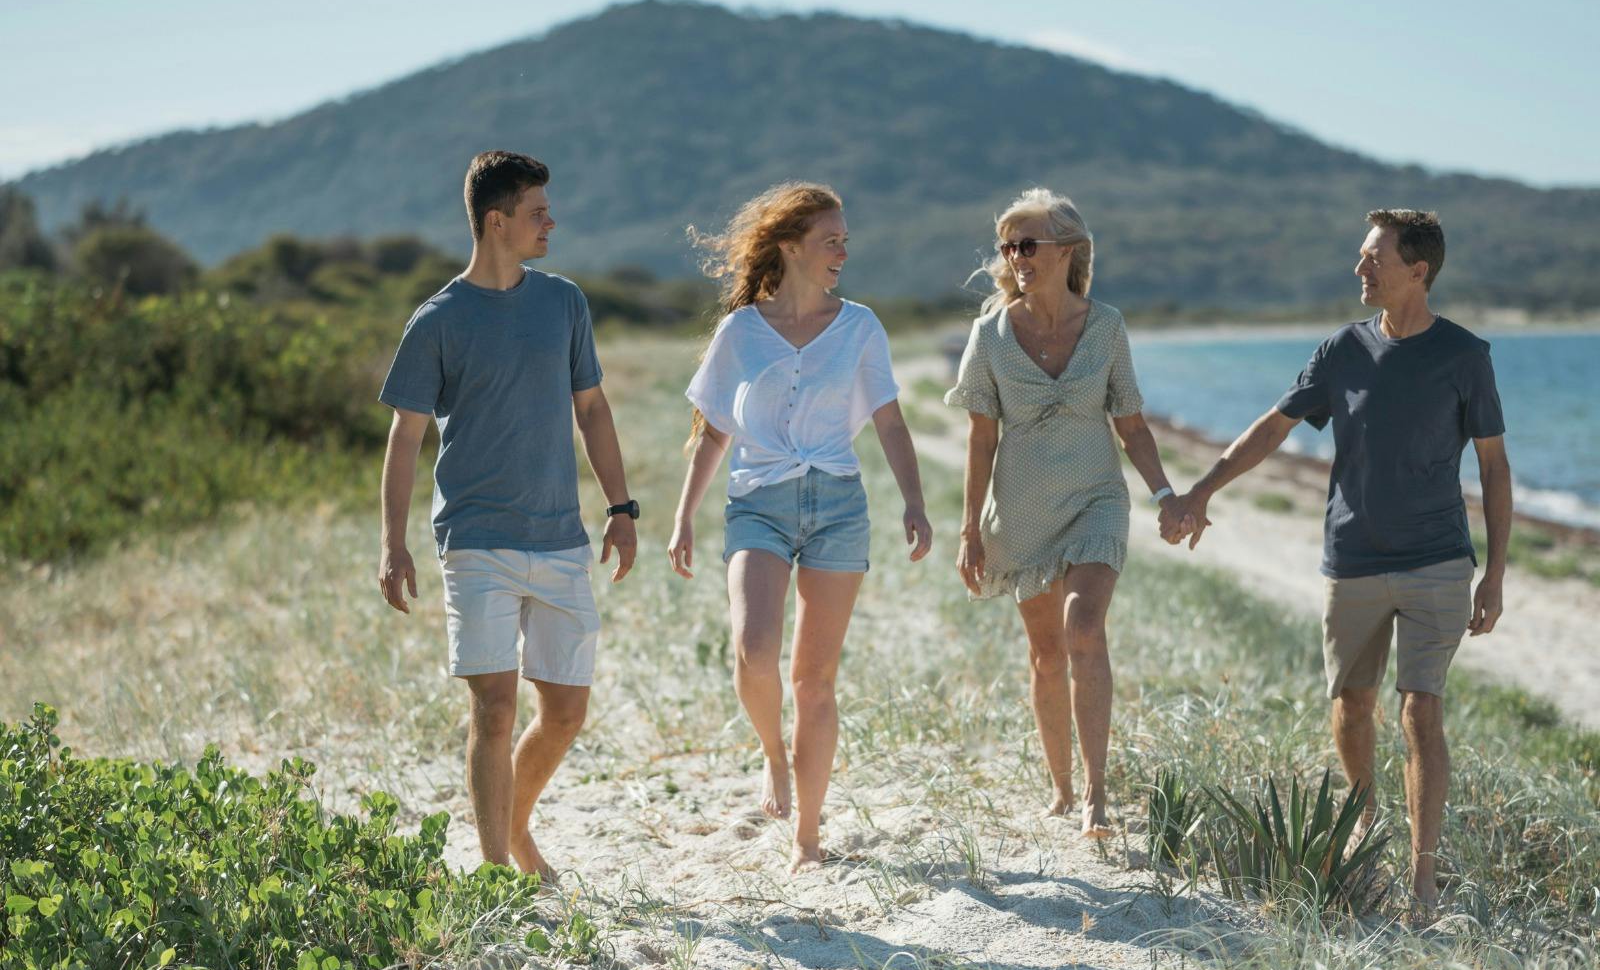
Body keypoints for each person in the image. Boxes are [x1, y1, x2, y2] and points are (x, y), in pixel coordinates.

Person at [1168, 209, 1510, 912]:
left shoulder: (1465, 356)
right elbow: (1274, 427)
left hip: (1437, 561)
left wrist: (1497, 573)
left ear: (1418, 271)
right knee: (1352, 706)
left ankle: (1422, 876)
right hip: (1350, 558)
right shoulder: (1340, 350)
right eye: (1361, 256)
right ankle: (1364, 826)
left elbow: (1495, 468)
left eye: (1374, 258)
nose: (1360, 269)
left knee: (1421, 711)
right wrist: (1202, 489)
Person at [376, 150, 638, 882]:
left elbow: (591, 408)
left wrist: (621, 508)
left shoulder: (564, 303)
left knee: (564, 712)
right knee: (493, 709)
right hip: (476, 539)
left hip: (560, 537)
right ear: (498, 221)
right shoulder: (438, 320)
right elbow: (406, 435)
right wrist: (393, 545)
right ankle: (496, 874)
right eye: (536, 212)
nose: (550, 221)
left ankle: (513, 831)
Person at [667, 182, 933, 872]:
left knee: (813, 680)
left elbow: (890, 419)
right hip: (758, 501)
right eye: (831, 239)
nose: (845, 250)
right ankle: (773, 757)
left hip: (838, 504)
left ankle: (807, 837)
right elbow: (713, 428)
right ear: (790, 246)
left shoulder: (860, 326)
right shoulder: (740, 331)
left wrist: (914, 500)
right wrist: (683, 517)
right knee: (753, 651)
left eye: (845, 238)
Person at [946, 188, 1190, 838]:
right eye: (1009, 247)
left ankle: (1097, 797)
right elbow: (979, 439)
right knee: (1047, 655)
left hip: (1096, 500)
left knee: (1085, 628)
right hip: (1022, 511)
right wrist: (969, 529)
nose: (1017, 257)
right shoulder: (989, 336)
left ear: (1068, 251)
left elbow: (1132, 426)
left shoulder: (1106, 326)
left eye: (1029, 244)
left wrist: (1166, 495)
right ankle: (1059, 786)